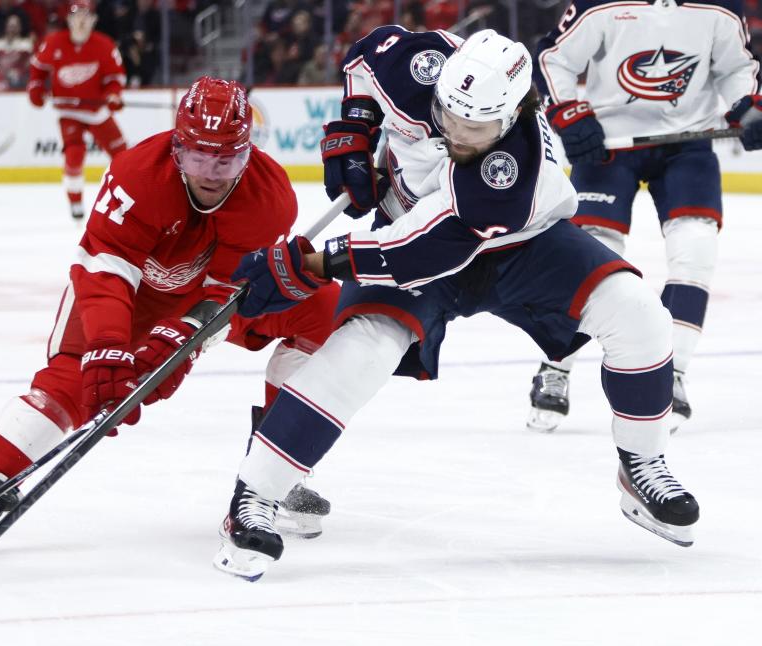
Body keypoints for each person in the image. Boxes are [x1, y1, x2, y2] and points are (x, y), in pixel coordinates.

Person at [212, 28, 700, 582]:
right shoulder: (422, 64)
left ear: (514, 114)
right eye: (450, 117)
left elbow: (424, 248)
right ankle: (254, 495)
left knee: (637, 312)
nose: (458, 134)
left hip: (517, 244)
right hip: (413, 230)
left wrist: (316, 263)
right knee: (359, 352)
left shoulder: (507, 173)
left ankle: (642, 462)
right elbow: (366, 59)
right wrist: (354, 128)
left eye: (477, 128)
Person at [0, 76, 340, 555]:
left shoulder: (269, 199)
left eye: (226, 159)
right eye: (197, 156)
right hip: (130, 294)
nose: (211, 172)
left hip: (209, 300)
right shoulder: (136, 176)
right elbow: (103, 268)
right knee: (74, 382)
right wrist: (108, 343)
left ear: (248, 154)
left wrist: (179, 346)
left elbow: (228, 295)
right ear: (176, 147)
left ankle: (271, 474)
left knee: (325, 312)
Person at [526, 0, 762, 434]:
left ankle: (670, 374)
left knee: (695, 250)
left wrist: (748, 106)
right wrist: (569, 114)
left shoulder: (721, 7)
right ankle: (555, 366)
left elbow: (734, 66)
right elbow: (553, 58)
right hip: (609, 146)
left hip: (688, 144)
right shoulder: (601, 5)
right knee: (590, 256)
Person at [27, 0, 128, 220]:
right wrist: (36, 88)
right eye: (77, 17)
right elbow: (38, 69)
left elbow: (115, 78)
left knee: (123, 157)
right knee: (74, 153)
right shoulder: (54, 43)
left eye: (86, 17)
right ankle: (75, 203)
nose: (81, 22)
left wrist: (113, 95)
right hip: (69, 111)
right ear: (69, 20)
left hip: (97, 111)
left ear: (93, 20)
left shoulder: (104, 45)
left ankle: (130, 197)